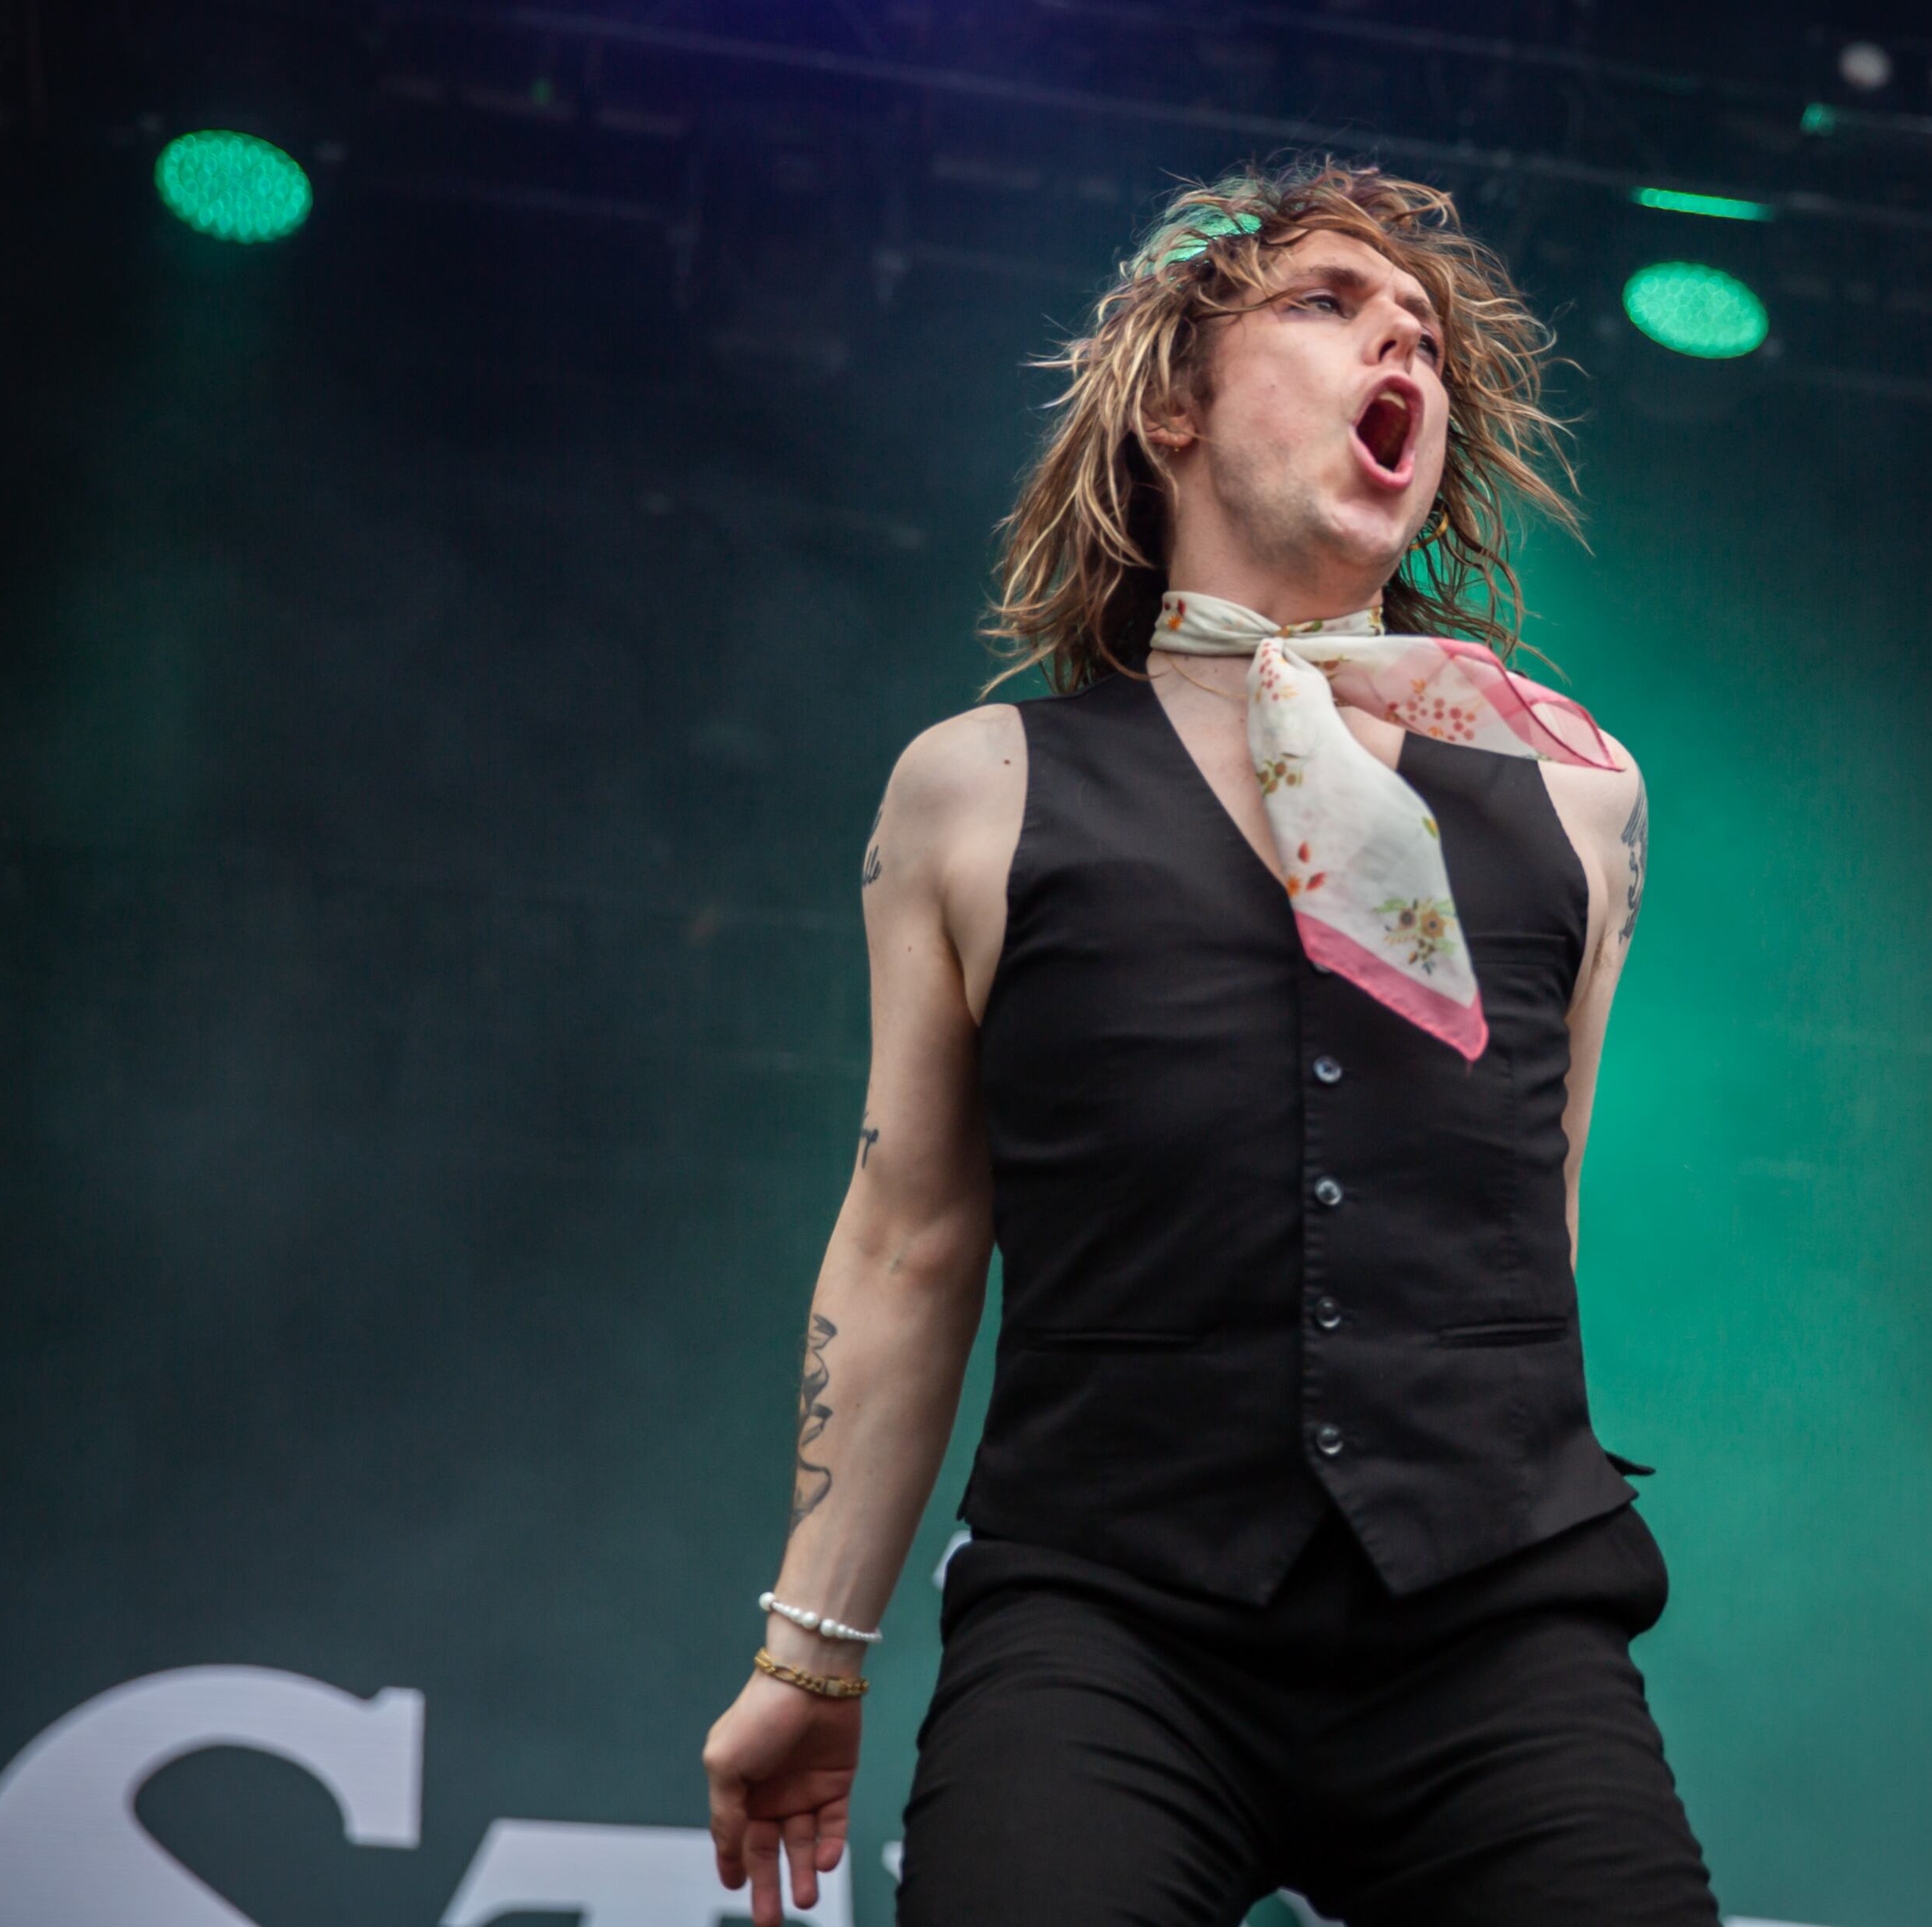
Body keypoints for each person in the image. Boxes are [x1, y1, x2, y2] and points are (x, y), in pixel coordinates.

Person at [702, 157, 1717, 1926]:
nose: (1397, 340)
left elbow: (1526, 1233)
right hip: (1115, 1613)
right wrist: (817, 1647)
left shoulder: (1578, 794)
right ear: (1174, 398)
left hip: (1492, 1622)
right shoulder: (982, 786)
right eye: (1328, 305)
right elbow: (913, 1235)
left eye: (1423, 335)